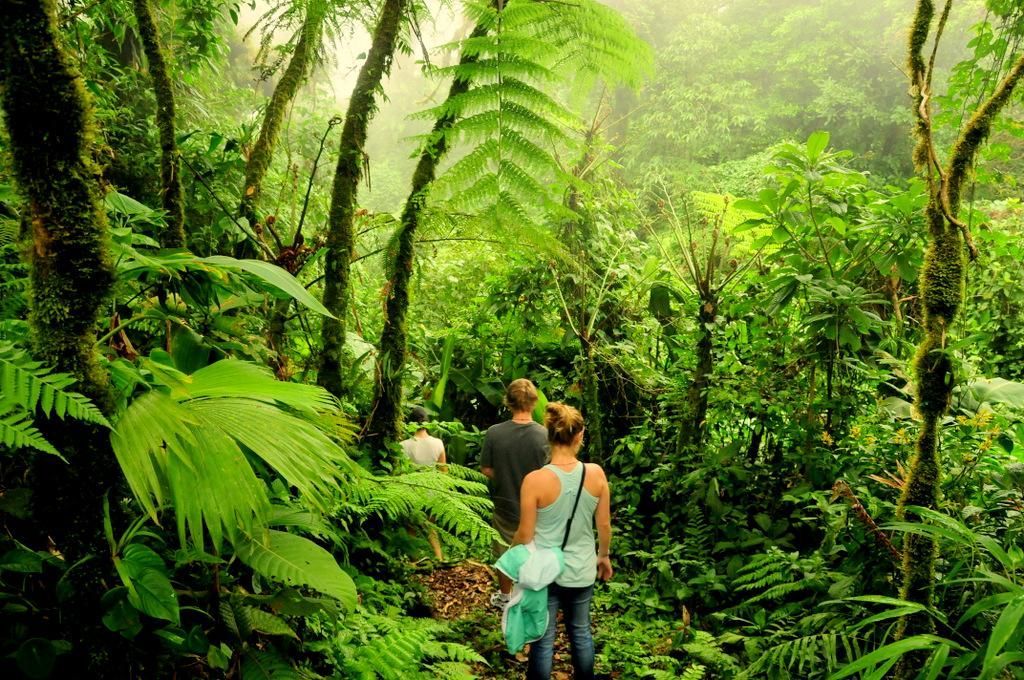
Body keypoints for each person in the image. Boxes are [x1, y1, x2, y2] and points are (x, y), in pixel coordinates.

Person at [513, 402, 612, 680]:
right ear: (579, 436)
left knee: (543, 638)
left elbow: (525, 534)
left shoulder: (535, 480)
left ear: (549, 434)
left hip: (545, 572)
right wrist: (603, 556)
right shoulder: (596, 474)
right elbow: (603, 525)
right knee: (580, 631)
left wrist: (511, 559)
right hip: (582, 568)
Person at [481, 378, 549, 605]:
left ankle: (505, 596)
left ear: (507, 402)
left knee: (505, 549)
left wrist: (507, 474)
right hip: (538, 505)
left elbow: (487, 469)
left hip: (504, 500)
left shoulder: (494, 433)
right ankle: (532, 595)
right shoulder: (544, 435)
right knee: (535, 547)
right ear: (534, 402)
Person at [399, 406, 446, 560]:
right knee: (431, 528)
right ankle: (439, 558)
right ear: (427, 422)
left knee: (411, 528)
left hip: (411, 491)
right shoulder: (438, 443)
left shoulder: (404, 445)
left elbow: (401, 472)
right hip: (432, 491)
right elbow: (443, 472)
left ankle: (414, 560)